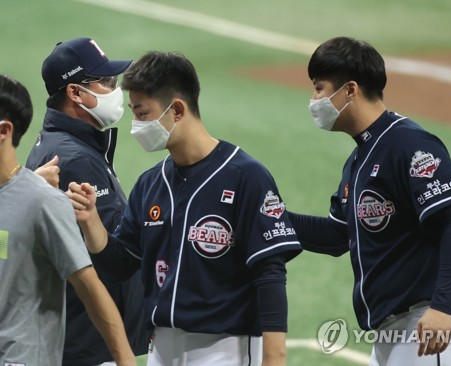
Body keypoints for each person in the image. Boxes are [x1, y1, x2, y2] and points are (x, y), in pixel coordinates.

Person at [66, 51, 302, 366]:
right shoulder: (151, 183)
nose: (136, 124)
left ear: (177, 109)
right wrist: (91, 221)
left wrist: (274, 359)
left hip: (225, 348)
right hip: (161, 349)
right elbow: (120, 265)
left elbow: (269, 273)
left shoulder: (246, 176)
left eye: (143, 113)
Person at [287, 36, 451, 365]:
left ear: (350, 90)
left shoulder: (407, 143)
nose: (314, 99)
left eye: (319, 88)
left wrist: (441, 307)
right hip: (396, 330)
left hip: (428, 321)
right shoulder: (359, 158)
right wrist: (267, 216)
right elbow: (337, 236)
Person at [25, 37, 151, 366]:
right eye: (106, 82)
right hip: (90, 343)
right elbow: (111, 254)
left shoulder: (60, 144)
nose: (116, 89)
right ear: (75, 93)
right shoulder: (74, 158)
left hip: (74, 337)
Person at [0, 74, 136, 366]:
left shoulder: (43, 202)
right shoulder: (23, 200)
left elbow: (89, 285)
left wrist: (125, 360)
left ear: (4, 130)